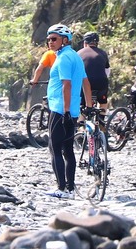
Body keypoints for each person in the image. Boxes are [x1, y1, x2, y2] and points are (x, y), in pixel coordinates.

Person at [44, 23, 92, 199]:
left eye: (54, 39)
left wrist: (64, 111)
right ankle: (70, 190)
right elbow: (86, 83)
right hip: (72, 109)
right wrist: (89, 106)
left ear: (65, 40)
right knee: (68, 150)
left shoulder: (63, 58)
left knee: (54, 148)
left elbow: (67, 84)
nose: (50, 42)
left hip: (59, 109)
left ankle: (62, 188)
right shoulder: (76, 56)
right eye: (49, 39)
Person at [77, 32, 110, 117]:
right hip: (101, 82)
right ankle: (101, 124)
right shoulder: (103, 53)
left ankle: (81, 125)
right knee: (103, 103)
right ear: (97, 43)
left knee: (82, 106)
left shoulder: (79, 53)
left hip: (85, 83)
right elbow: (107, 71)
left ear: (85, 43)